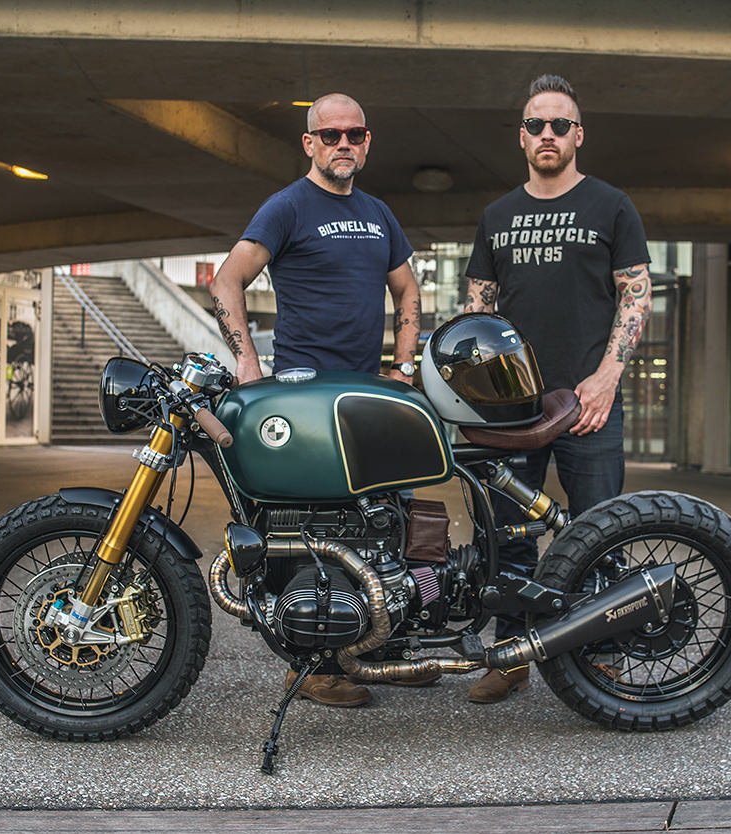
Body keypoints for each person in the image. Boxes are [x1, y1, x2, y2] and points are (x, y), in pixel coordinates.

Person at [208, 92, 430, 707]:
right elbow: (226, 280)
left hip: (368, 396)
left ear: (367, 141)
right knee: (311, 528)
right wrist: (247, 364)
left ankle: (378, 646)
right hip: (304, 397)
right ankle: (310, 667)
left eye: (354, 134)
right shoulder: (288, 206)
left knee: (384, 519)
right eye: (330, 135)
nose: (343, 144)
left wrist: (403, 368)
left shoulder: (379, 213)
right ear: (310, 143)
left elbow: (407, 290)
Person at [462, 74, 653, 703]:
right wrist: (481, 396)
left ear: (578, 135)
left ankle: (603, 654)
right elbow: (479, 313)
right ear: (521, 137)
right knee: (508, 535)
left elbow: (635, 296)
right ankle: (510, 655)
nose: (548, 134)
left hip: (588, 401)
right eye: (536, 125)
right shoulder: (497, 216)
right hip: (512, 408)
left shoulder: (611, 205)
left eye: (560, 125)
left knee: (599, 532)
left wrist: (606, 378)